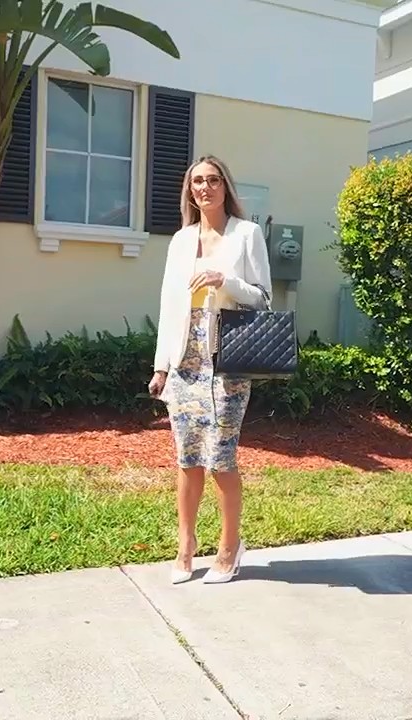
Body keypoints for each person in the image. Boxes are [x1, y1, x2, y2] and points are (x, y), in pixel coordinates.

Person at [147, 155, 273, 586]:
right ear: (190, 190)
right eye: (197, 181)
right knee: (187, 459)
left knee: (221, 457)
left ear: (225, 186)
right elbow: (169, 306)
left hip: (228, 360)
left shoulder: (247, 234)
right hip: (185, 361)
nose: (205, 187)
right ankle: (185, 545)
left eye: (213, 180)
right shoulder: (180, 240)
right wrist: (161, 366)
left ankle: (229, 546)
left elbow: (264, 298)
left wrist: (225, 281)